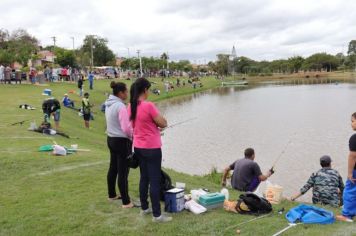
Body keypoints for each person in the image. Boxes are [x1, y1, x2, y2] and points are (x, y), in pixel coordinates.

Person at [128, 78, 172, 223]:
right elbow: (163, 123)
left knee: (144, 178)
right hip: (152, 148)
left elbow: (140, 124)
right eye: (148, 90)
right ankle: (157, 215)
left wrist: (153, 126)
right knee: (154, 181)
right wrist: (159, 124)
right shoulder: (148, 106)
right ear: (145, 90)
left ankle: (145, 208)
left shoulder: (130, 106)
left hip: (138, 147)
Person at [105, 81, 134, 208]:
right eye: (126, 91)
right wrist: (133, 136)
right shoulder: (120, 106)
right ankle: (126, 202)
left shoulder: (108, 103)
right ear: (121, 93)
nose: (127, 94)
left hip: (111, 139)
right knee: (123, 172)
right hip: (121, 141)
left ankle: (112, 194)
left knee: (113, 168)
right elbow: (126, 128)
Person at [338, 112, 356, 222]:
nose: (351, 124)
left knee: (349, 191)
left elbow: (353, 156)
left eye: (353, 121)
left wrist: (349, 173)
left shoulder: (354, 138)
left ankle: (347, 215)